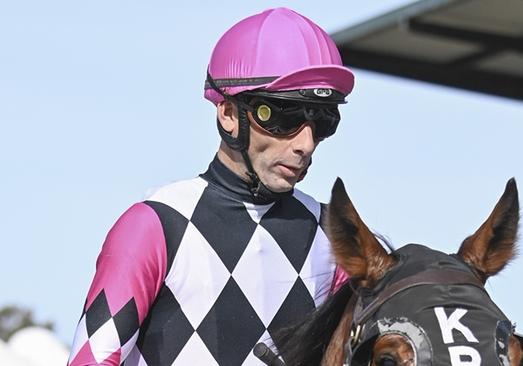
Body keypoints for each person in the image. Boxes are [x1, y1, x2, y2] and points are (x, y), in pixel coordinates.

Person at [67, 8, 352, 366]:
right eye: (284, 116)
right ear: (229, 114)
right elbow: (90, 359)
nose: (305, 144)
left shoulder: (333, 236)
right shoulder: (155, 224)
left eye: (323, 119)